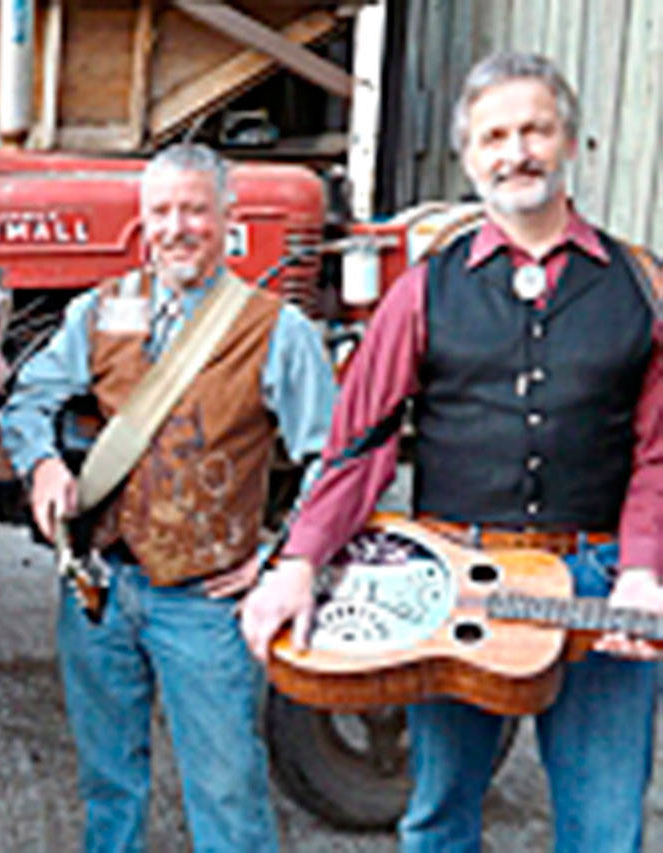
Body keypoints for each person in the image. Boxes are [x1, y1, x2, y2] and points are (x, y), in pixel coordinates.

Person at [241, 52, 663, 852]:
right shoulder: (424, 290)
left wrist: (645, 571)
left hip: (603, 585)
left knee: (606, 830)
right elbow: (358, 441)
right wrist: (298, 561)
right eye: (494, 135)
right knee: (436, 818)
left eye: (534, 128)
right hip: (455, 589)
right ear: (470, 156)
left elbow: (661, 453)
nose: (516, 152)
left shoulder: (642, 284)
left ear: (569, 140)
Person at [0, 143, 336, 851]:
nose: (177, 227)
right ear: (141, 220)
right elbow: (26, 399)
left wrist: (279, 559)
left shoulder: (277, 330)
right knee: (108, 787)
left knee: (227, 796)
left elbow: (333, 462)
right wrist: (41, 467)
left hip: (204, 604)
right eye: (161, 211)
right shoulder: (98, 309)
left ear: (227, 219)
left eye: (194, 210)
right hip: (97, 589)